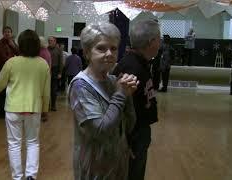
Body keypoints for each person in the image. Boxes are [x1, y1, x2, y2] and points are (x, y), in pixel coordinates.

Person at [68, 22, 138, 180]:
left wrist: (128, 94)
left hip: (116, 163)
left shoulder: (113, 81)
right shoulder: (80, 85)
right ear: (87, 52)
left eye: (113, 48)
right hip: (93, 168)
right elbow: (100, 131)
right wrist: (121, 94)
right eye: (101, 48)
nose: (109, 53)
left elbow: (128, 124)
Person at [0, 29, 50, 180]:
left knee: (14, 144)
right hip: (33, 108)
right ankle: (31, 175)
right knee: (32, 142)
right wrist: (45, 110)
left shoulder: (12, 62)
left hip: (13, 108)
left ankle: (17, 177)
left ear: (20, 45)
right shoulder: (43, 64)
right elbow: (46, 91)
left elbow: (0, 84)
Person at [113, 19, 160, 180]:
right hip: (132, 137)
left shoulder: (141, 63)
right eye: (159, 38)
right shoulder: (131, 68)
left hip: (139, 133)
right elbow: (120, 109)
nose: (160, 42)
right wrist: (125, 142)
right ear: (151, 42)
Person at [0, 26, 19, 118]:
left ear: (11, 33)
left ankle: (5, 110)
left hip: (8, 69)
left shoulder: (12, 42)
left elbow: (18, 53)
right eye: (5, 32)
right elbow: (3, 57)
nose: (7, 33)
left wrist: (12, 45)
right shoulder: (0, 43)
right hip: (0, 68)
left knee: (7, 90)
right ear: (3, 33)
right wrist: (13, 62)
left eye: (9, 32)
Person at [48, 36, 63, 111]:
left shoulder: (59, 50)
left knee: (53, 89)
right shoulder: (46, 49)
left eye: (51, 40)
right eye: (49, 40)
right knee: (46, 89)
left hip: (55, 70)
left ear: (55, 41)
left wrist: (60, 72)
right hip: (47, 70)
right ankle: (47, 105)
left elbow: (61, 62)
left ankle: (53, 105)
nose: (50, 42)